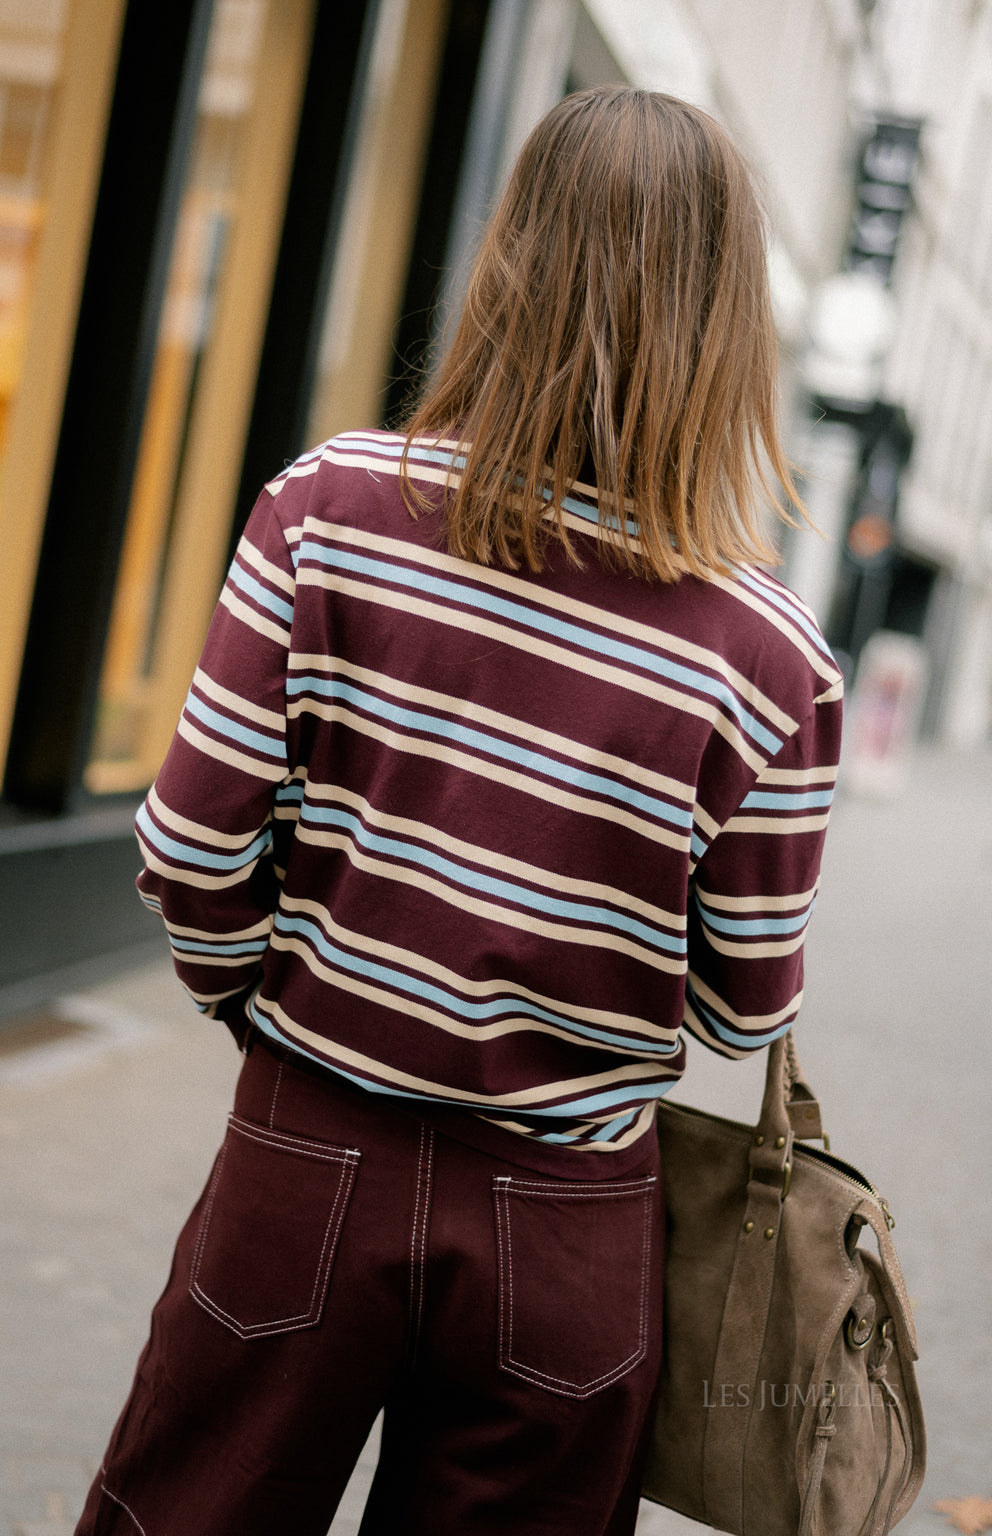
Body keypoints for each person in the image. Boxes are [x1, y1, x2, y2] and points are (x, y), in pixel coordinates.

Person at [75, 86, 842, 1536]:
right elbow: (742, 1015)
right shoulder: (773, 658)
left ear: (508, 260)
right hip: (566, 1228)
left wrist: (266, 999)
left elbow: (186, 847)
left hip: (307, 1150)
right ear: (730, 323)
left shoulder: (327, 511)